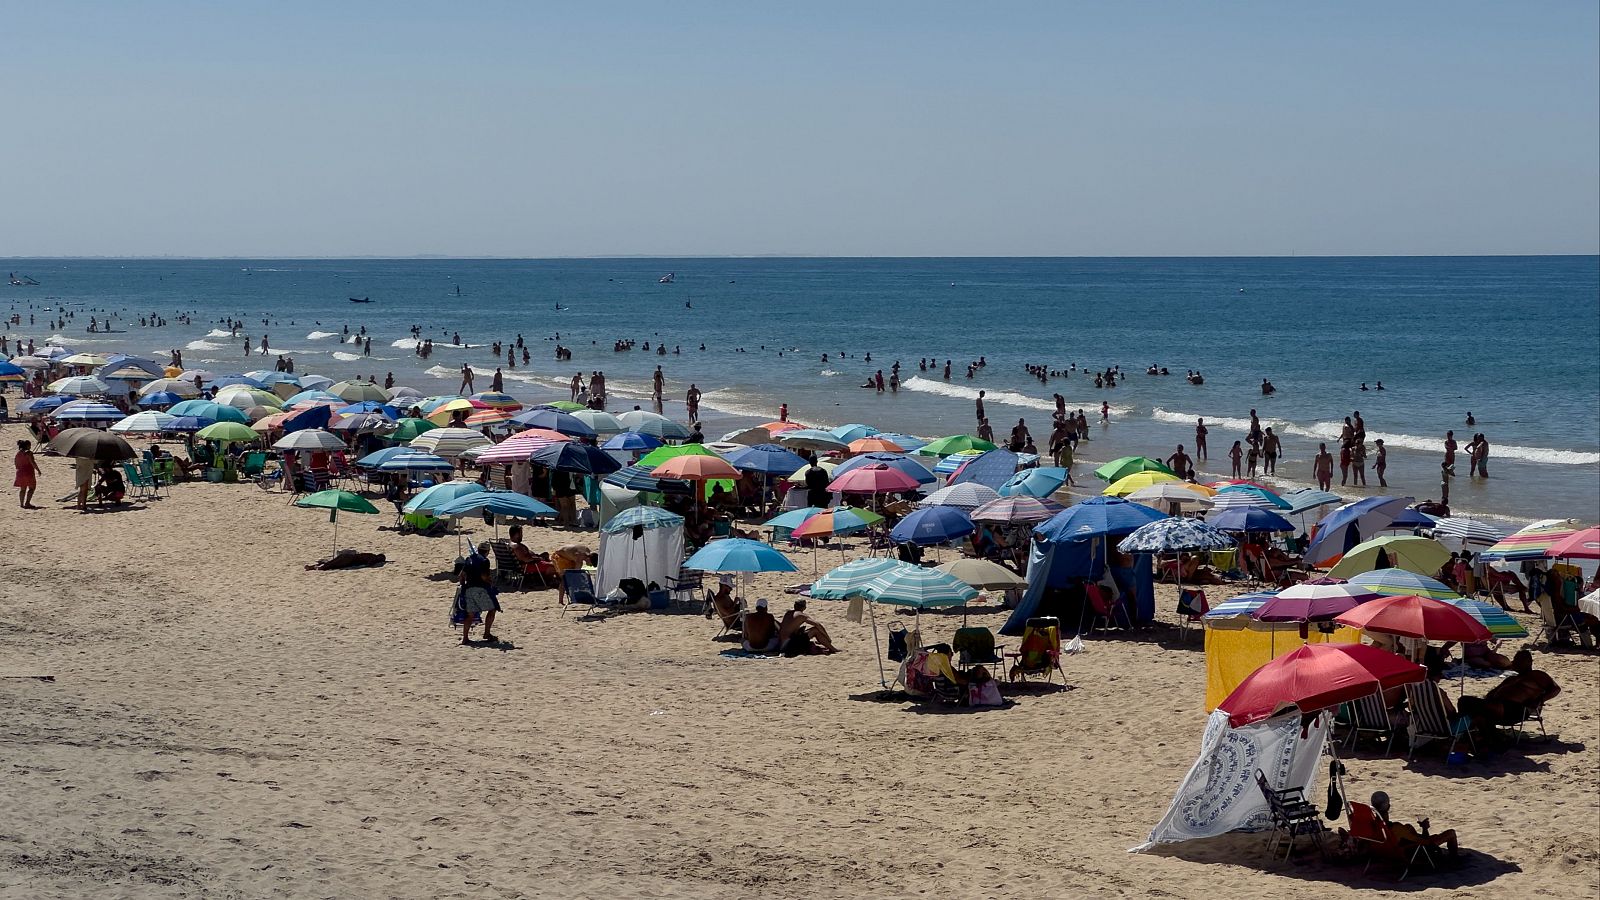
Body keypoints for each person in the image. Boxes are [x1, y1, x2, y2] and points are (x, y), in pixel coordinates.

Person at [1466, 650, 1561, 726]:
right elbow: (1492, 693)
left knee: (1469, 703)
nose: (1514, 662)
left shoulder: (1537, 675)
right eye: (1515, 659)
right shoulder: (1512, 678)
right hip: (1499, 706)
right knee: (1467, 703)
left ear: (1529, 662)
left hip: (1515, 710)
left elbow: (1556, 689)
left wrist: (1540, 700)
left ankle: (1487, 735)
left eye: (1519, 660)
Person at [1369, 792, 1459, 859]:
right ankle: (1454, 859)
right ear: (1388, 807)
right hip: (1413, 852)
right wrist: (1424, 828)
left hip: (1386, 854)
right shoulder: (1396, 828)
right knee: (1451, 833)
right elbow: (1425, 842)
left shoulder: (1371, 825)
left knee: (1409, 827)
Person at [453, 542, 499, 644]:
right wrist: (491, 582)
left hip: (469, 589)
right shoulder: (485, 561)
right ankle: (487, 633)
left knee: (470, 615)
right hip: (480, 590)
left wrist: (463, 587)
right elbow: (484, 577)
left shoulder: (469, 559)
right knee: (492, 609)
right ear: (487, 552)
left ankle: (465, 638)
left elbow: (461, 576)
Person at [14, 439, 40, 509]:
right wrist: (38, 470)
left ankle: (21, 504)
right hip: (28, 472)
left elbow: (16, 463)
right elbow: (33, 462)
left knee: (23, 489)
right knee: (32, 488)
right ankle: (27, 503)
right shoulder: (29, 453)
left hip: (20, 472)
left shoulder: (18, 453)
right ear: (27, 445)